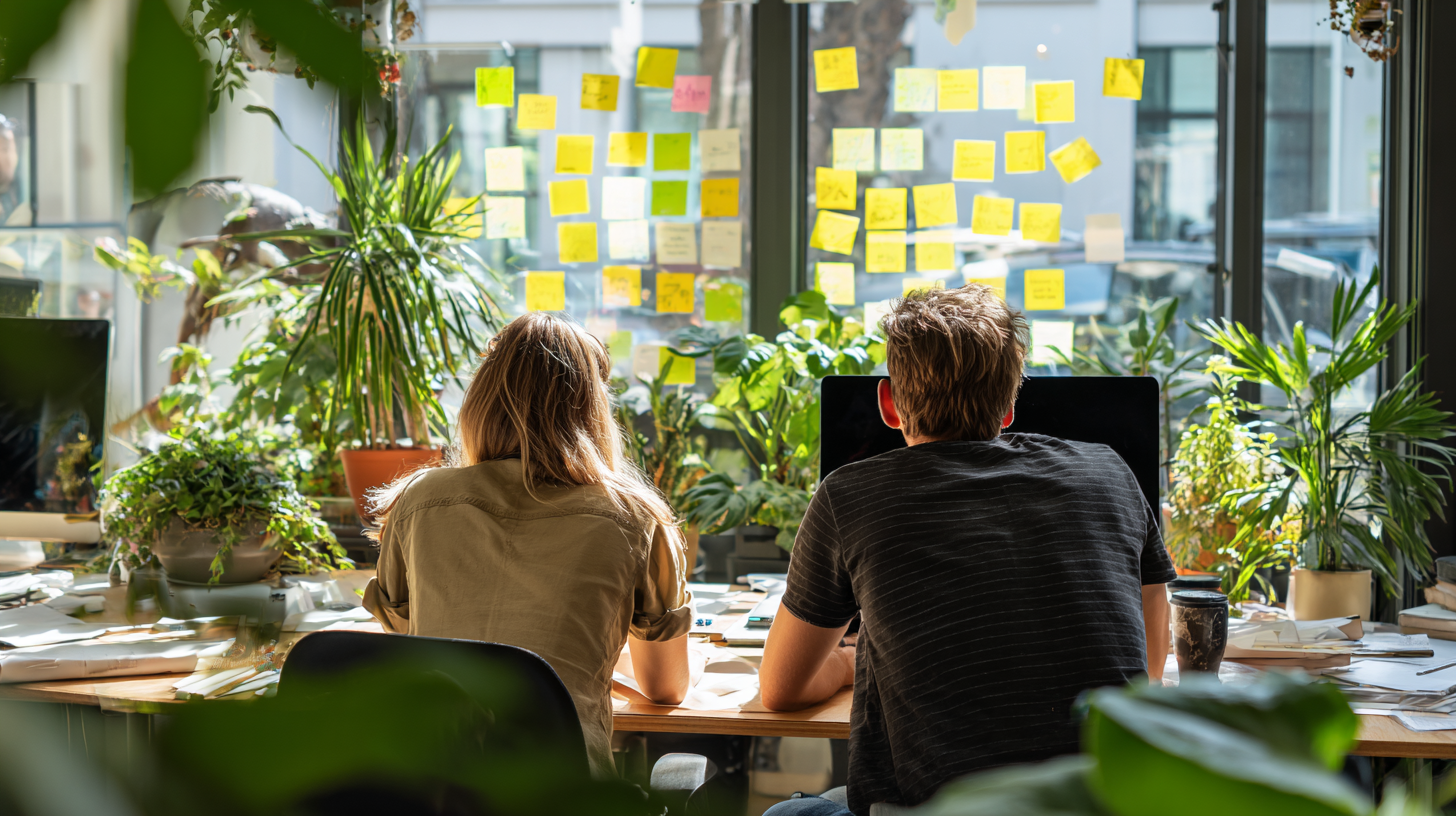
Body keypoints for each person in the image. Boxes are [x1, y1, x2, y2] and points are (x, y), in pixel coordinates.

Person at [758, 284, 1174, 816]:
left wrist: (847, 662)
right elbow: (1151, 669)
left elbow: (782, 689)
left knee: (790, 813)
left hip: (936, 809)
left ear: (888, 404)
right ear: (1009, 407)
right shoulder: (1111, 472)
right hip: (1104, 805)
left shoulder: (849, 495)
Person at [362, 312, 695, 779]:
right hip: (560, 797)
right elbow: (665, 689)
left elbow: (414, 646)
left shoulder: (419, 501)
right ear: (593, 409)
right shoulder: (634, 517)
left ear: (480, 401)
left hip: (430, 790)